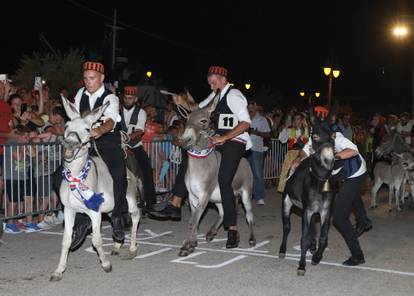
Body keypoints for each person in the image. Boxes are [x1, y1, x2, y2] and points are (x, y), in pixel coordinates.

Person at [151, 66, 252, 248]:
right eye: (210, 84)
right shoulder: (214, 96)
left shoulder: (234, 95)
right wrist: (181, 103)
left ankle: (232, 229)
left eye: (214, 83)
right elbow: (198, 109)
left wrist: (225, 137)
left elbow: (246, 123)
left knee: (224, 179)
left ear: (222, 79)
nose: (212, 87)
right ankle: (175, 203)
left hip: (234, 142)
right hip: (215, 139)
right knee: (190, 154)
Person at [58, 61, 128, 250]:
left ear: (101, 78)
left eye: (92, 78)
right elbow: (74, 117)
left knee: (119, 172)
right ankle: (80, 221)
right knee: (60, 173)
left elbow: (111, 120)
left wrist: (99, 130)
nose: (88, 82)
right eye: (86, 78)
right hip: (84, 143)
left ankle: (118, 215)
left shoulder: (111, 97)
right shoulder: (80, 94)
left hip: (106, 142)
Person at [291, 128, 372, 266]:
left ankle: (358, 255)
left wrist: (334, 156)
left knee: (339, 217)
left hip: (355, 173)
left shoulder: (337, 138)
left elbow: (353, 150)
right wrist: (299, 159)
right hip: (340, 174)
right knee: (350, 197)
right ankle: (363, 220)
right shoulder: (315, 138)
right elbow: (304, 150)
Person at [120, 86, 157, 213]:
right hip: (118, 147)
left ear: (135, 99)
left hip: (134, 146)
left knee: (147, 170)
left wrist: (127, 137)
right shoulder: (116, 110)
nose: (127, 100)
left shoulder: (141, 112)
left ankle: (150, 202)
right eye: (126, 98)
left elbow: (139, 131)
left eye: (130, 98)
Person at [277, 112, 309, 192]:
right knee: (286, 170)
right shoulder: (289, 130)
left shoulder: (306, 130)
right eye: (294, 119)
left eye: (298, 119)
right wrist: (284, 129)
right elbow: (282, 140)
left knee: (302, 172)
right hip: (291, 153)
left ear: (301, 120)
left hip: (303, 154)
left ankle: (302, 189)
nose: (296, 121)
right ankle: (284, 188)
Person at [247, 101, 271, 205]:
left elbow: (267, 134)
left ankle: (259, 196)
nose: (250, 109)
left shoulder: (262, 119)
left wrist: (258, 133)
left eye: (252, 107)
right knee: (246, 173)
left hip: (257, 149)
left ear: (256, 108)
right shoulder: (243, 118)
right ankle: (247, 195)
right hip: (245, 149)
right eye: (249, 107)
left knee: (257, 173)